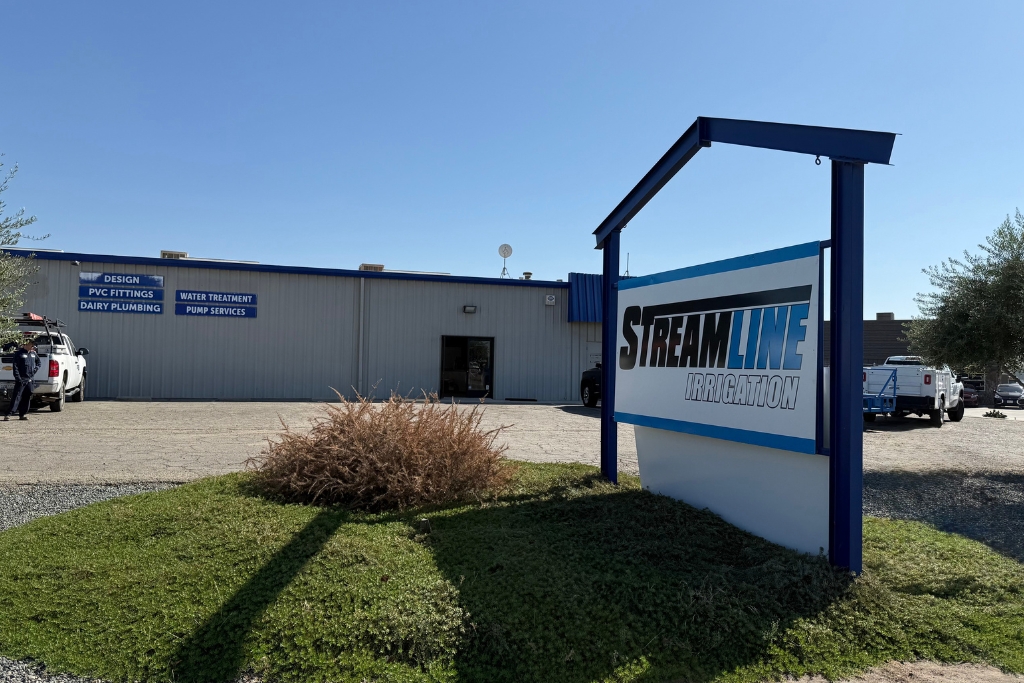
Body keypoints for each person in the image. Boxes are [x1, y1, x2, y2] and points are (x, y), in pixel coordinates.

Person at [4, 340, 40, 421]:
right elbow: (15, 366)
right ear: (25, 345)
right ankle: (8, 414)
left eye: (32, 345)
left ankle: (22, 414)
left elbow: (39, 363)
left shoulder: (33, 354)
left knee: (27, 396)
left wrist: (35, 369)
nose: (32, 346)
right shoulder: (19, 353)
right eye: (30, 344)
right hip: (21, 379)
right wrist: (18, 378)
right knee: (17, 396)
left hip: (30, 379)